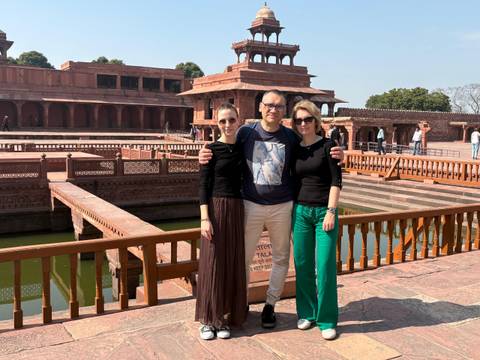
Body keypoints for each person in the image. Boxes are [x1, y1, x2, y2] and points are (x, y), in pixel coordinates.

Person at [198, 90, 344, 329]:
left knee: (281, 258)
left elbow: (313, 148)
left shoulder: (291, 136)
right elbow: (227, 147)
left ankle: (270, 305)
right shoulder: (246, 132)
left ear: (284, 110)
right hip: (251, 204)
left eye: (278, 106)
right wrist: (206, 153)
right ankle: (240, 302)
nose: (273, 109)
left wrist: (337, 152)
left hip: (283, 205)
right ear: (260, 107)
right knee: (242, 258)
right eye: (268, 105)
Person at [196, 102, 247, 340]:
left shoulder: (244, 148)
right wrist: (205, 218)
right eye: (223, 121)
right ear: (217, 124)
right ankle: (208, 319)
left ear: (239, 121)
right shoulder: (210, 150)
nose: (227, 125)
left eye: (232, 120)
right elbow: (203, 186)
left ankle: (224, 316)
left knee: (230, 261)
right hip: (215, 208)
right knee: (213, 262)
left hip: (236, 208)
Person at [291, 100, 341, 340]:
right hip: (300, 212)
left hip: (324, 212)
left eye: (307, 119)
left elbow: (336, 181)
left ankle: (327, 319)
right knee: (302, 265)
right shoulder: (294, 148)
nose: (303, 124)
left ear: (316, 121)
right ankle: (307, 313)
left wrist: (331, 211)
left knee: (324, 266)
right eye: (299, 120)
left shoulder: (328, 146)